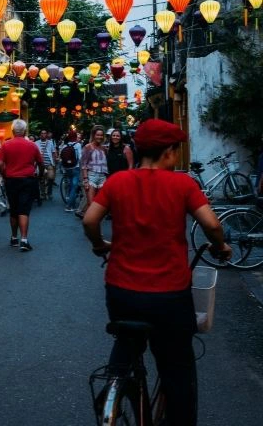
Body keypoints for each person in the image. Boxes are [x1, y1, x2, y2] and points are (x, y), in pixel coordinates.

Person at [82, 119, 232, 426]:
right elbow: (212, 225)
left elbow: (89, 220)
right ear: (168, 152)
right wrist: (221, 247)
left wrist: (100, 245)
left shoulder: (118, 182)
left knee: (127, 342)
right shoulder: (183, 184)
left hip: (122, 289)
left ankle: (116, 383)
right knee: (177, 368)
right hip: (169, 294)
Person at [0, 119, 44, 251]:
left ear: (12, 131)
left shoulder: (6, 145)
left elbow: (0, 164)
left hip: (11, 180)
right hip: (27, 180)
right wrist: (39, 176)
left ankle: (13, 237)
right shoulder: (32, 145)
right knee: (24, 210)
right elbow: (41, 163)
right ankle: (24, 240)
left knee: (13, 209)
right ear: (25, 131)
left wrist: (4, 174)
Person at [80, 125, 108, 216]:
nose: (99, 137)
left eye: (101, 135)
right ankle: (89, 225)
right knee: (91, 204)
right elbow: (83, 165)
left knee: (99, 205)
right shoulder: (88, 147)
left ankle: (88, 219)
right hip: (91, 176)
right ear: (93, 135)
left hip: (102, 177)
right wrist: (85, 180)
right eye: (97, 135)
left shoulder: (104, 148)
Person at [59, 130, 82, 212]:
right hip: (75, 167)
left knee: (69, 184)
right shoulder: (78, 145)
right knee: (74, 186)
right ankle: (69, 206)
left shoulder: (65, 145)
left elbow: (61, 157)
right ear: (75, 137)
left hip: (67, 168)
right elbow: (80, 157)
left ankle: (68, 200)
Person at [35, 129, 57, 201]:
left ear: (46, 134)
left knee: (50, 178)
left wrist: (54, 162)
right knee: (41, 180)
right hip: (40, 164)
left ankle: (49, 192)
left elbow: (53, 152)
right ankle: (43, 194)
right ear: (40, 135)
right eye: (42, 133)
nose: (43, 135)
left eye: (44, 133)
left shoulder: (50, 142)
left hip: (49, 163)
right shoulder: (36, 143)